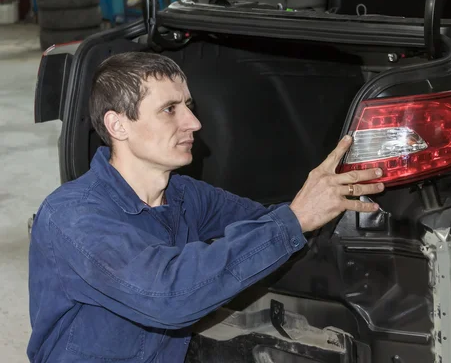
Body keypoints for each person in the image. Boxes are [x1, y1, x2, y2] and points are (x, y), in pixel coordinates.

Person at [27, 52, 384, 363]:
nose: (194, 123)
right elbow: (168, 294)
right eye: (169, 109)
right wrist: (293, 220)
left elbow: (267, 223)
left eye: (189, 106)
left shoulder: (185, 196)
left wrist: (322, 204)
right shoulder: (74, 216)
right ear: (117, 125)